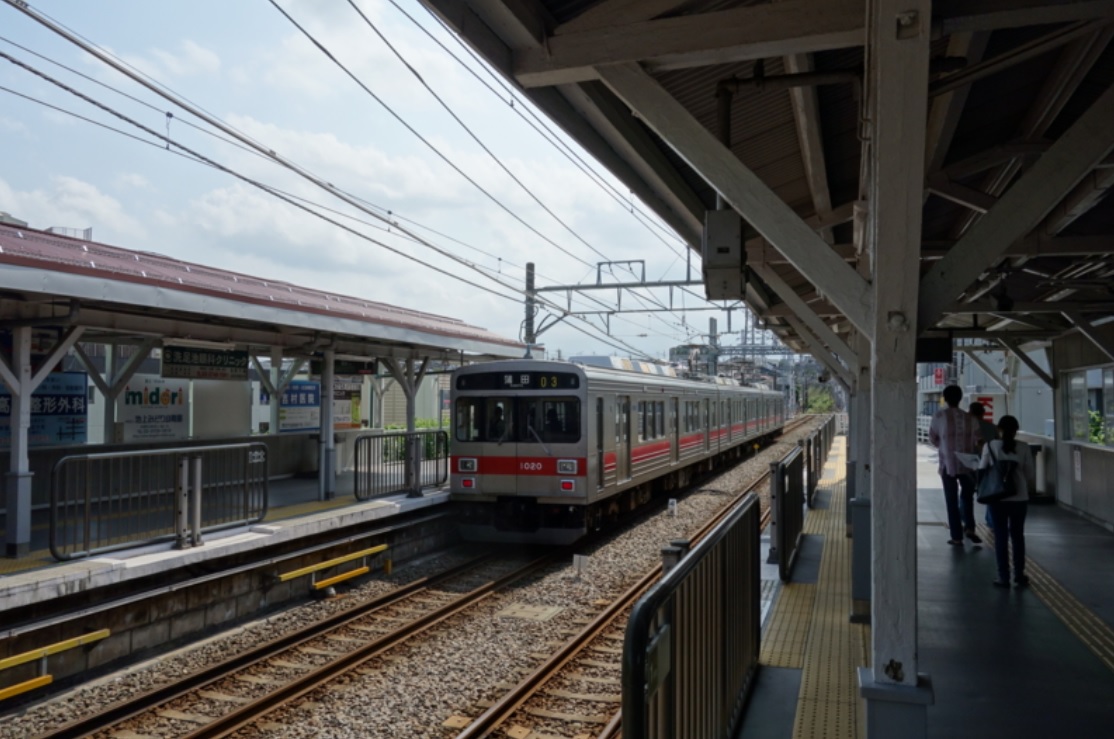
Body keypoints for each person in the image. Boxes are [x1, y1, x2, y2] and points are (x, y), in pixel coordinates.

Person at [978, 415, 1034, 588]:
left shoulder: (990, 446)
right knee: (1017, 536)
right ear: (1016, 430)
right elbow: (1029, 474)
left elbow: (982, 469)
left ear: (999, 429)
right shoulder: (1024, 447)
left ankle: (1003, 576)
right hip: (1019, 497)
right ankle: (1019, 574)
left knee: (1000, 536)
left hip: (997, 498)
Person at [928, 385, 982, 546]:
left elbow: (932, 437)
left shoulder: (939, 416)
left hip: (947, 464)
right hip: (967, 464)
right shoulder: (970, 418)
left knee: (951, 500)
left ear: (945, 398)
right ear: (960, 398)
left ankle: (956, 536)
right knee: (967, 497)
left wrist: (945, 446)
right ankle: (970, 528)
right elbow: (978, 440)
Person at [969, 402, 999, 527]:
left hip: (970, 461)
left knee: (967, 493)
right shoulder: (992, 427)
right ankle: (991, 520)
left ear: (970, 413)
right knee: (989, 490)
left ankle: (967, 520)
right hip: (989, 464)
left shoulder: (967, 427)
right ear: (983, 413)